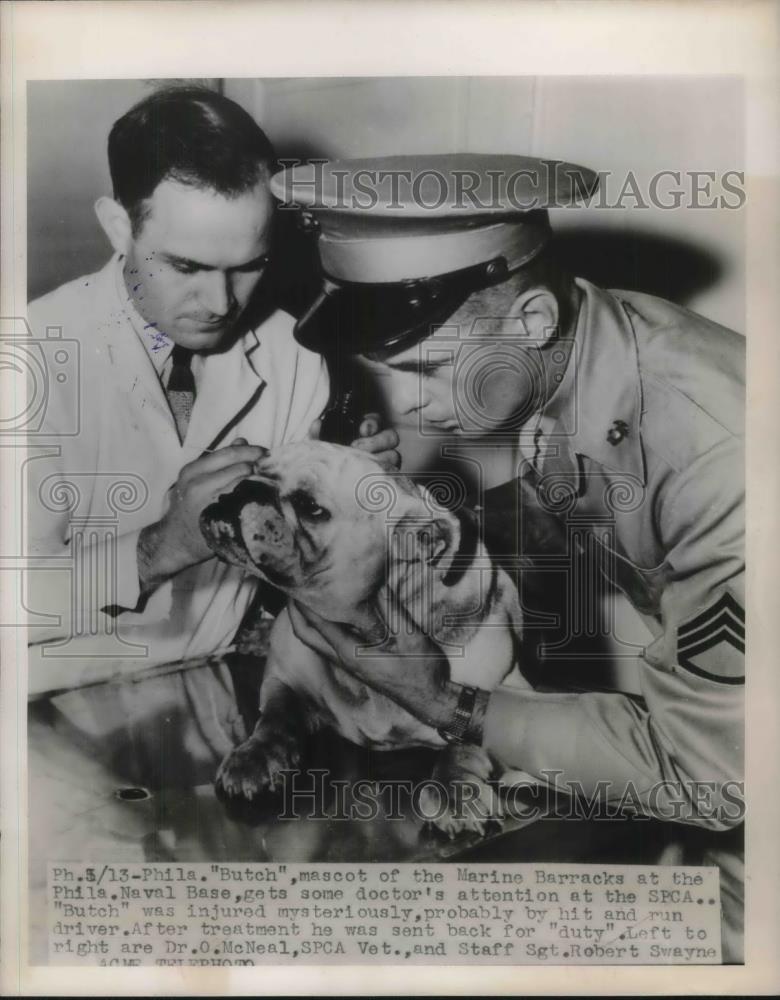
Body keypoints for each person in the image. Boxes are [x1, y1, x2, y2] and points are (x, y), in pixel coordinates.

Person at [270, 154, 745, 961]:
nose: (406, 401)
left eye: (423, 369)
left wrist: (453, 704)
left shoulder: (720, 453)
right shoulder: (576, 349)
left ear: (529, 321)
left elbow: (711, 774)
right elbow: (579, 516)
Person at [25, 87, 399, 696]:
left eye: (249, 266)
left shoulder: (294, 353)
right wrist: (157, 549)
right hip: (46, 716)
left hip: (215, 685)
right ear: (119, 227)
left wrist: (347, 502)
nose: (222, 304)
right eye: (187, 267)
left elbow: (293, 570)